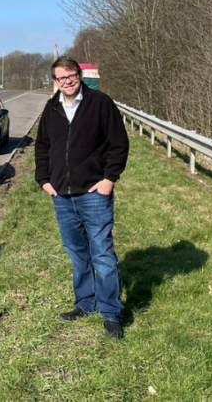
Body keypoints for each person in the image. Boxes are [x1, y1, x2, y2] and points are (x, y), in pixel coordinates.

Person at [35, 56, 130, 339]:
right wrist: (44, 180)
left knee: (102, 253)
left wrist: (108, 180)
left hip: (93, 193)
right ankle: (85, 303)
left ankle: (111, 312)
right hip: (61, 195)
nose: (67, 81)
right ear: (55, 81)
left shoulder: (100, 104)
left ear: (79, 75)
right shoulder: (51, 108)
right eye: (61, 78)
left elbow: (118, 144)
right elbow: (42, 146)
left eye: (71, 75)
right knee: (77, 253)